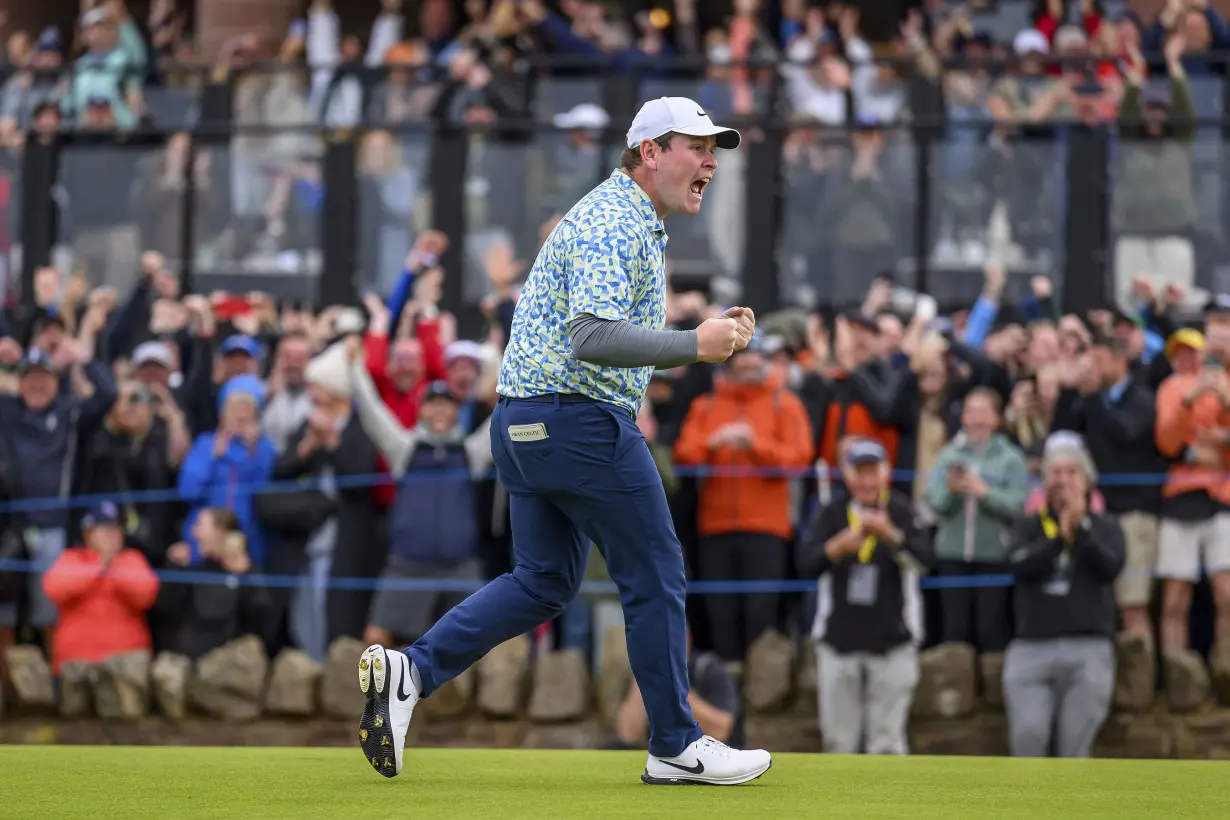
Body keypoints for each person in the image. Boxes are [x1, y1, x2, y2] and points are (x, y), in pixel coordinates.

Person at [355, 96, 772, 785]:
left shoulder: (625, 216)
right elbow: (592, 337)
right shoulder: (617, 218)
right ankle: (674, 742)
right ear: (648, 154)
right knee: (657, 573)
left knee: (543, 582)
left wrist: (694, 336)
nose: (709, 160)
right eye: (695, 146)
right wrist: (694, 345)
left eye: (714, 149)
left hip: (525, 425)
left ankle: (414, 670)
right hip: (578, 421)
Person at [799, 437, 934, 755]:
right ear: (848, 475)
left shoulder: (901, 510)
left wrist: (892, 538)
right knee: (838, 743)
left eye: (873, 472)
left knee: (887, 744)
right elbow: (805, 565)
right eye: (860, 472)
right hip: (838, 644)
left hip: (894, 645)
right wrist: (836, 548)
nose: (867, 481)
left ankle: (890, 806)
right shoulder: (832, 512)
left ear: (886, 473)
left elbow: (927, 562)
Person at [1002, 434, 1124, 758]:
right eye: (1054, 473)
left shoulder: (1105, 527)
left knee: (1075, 750)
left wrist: (1080, 533)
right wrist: (1058, 539)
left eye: (1071, 472)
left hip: (1088, 647)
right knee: (1028, 737)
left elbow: (1111, 566)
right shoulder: (1026, 526)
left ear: (1087, 481)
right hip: (1032, 648)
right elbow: (1018, 564)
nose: (1062, 480)